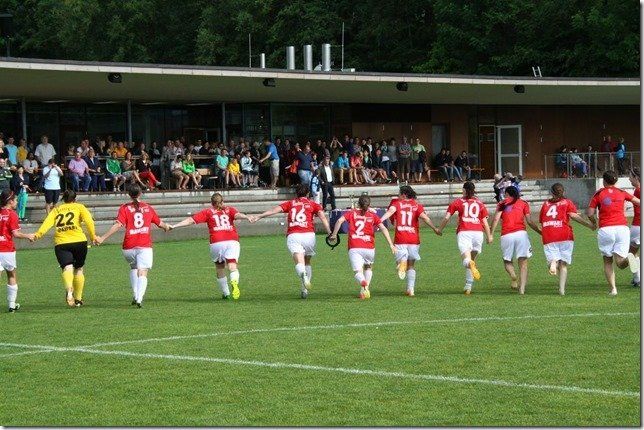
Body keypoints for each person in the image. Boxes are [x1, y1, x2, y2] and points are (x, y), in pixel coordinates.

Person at [250, 183, 332, 299]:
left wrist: (259, 216)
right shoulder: (314, 204)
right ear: (308, 193)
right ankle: (304, 289)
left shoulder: (290, 203)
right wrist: (329, 233)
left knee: (299, 262)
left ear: (296, 193)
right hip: (309, 235)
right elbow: (323, 217)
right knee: (307, 261)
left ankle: (302, 274)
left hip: (294, 235)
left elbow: (274, 210)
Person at [94, 186, 171, 307]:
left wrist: (102, 238)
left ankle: (135, 294)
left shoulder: (124, 208)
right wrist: (167, 227)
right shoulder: (148, 208)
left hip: (128, 247)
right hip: (144, 246)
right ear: (141, 193)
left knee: (134, 268)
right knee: (142, 271)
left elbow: (118, 225)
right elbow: (160, 223)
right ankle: (139, 298)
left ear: (129, 195)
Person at [171, 193, 252, 300]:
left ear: (211, 203)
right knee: (232, 266)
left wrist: (175, 226)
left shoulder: (208, 212)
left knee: (220, 267)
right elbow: (237, 215)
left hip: (217, 241)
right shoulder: (229, 210)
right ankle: (234, 282)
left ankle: (226, 293)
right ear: (222, 201)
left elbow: (191, 220)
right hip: (232, 240)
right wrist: (246, 216)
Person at [29, 190, 96, 307]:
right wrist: (93, 236)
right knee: (79, 268)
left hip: (62, 243)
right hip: (79, 241)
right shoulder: (79, 207)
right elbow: (89, 221)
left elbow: (47, 223)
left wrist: (38, 234)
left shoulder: (57, 209)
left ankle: (69, 289)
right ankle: (78, 299)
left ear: (63, 199)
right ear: (75, 199)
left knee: (67, 267)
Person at [329, 194, 396, 299]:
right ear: (369, 205)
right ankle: (365, 289)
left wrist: (334, 235)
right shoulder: (373, 216)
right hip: (369, 247)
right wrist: (391, 244)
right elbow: (383, 228)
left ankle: (362, 281)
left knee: (357, 271)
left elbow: (339, 221)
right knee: (368, 267)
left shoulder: (351, 213)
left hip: (355, 246)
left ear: (358, 204)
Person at [379, 185, 441, 296]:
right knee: (411, 265)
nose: (398, 196)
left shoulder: (397, 204)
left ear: (403, 195)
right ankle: (410, 290)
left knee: (399, 262)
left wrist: (379, 221)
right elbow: (425, 218)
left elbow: (390, 212)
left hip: (401, 238)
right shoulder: (416, 205)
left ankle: (402, 263)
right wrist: (434, 228)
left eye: (399, 194)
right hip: (413, 239)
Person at [587, 171, 641, 296]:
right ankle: (630, 257)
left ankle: (613, 289)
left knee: (607, 261)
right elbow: (639, 202)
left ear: (604, 181)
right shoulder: (622, 192)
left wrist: (593, 222)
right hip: (622, 229)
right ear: (616, 181)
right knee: (621, 263)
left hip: (606, 229)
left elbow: (590, 213)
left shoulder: (599, 193)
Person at [436, 181, 493, 295]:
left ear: (464, 190)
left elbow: (447, 218)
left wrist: (439, 229)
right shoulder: (479, 203)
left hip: (465, 232)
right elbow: (485, 222)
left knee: (467, 260)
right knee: (472, 260)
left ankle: (469, 270)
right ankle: (468, 286)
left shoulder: (457, 202)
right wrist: (489, 236)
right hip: (478, 233)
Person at [538, 183, 594, 295]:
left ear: (551, 193)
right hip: (565, 234)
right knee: (563, 264)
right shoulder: (567, 202)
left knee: (553, 260)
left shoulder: (545, 204)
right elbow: (574, 216)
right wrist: (588, 225)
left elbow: (542, 221)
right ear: (563, 192)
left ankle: (553, 263)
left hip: (549, 234)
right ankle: (562, 290)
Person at [491, 186, 542, 295]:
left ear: (507, 194)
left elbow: (495, 219)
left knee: (507, 261)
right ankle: (522, 289)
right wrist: (540, 232)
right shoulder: (523, 203)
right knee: (523, 263)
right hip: (521, 234)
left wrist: (491, 233)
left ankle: (513, 275)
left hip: (506, 235)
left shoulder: (502, 203)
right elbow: (529, 221)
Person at [0, 190, 33, 312]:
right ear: (10, 201)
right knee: (11, 275)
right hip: (7, 250)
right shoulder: (12, 214)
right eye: (15, 200)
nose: (17, 202)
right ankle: (11, 305)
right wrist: (28, 236)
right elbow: (16, 233)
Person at [628, 168, 641, 287]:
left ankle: (638, 278)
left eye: (631, 176)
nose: (629, 179)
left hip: (638, 225)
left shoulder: (638, 190)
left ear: (636, 177)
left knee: (631, 253)